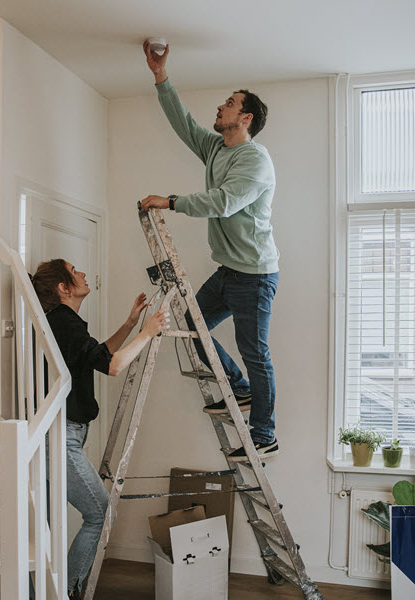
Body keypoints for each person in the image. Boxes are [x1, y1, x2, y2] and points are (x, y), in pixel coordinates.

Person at [139, 40, 280, 462]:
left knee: (256, 351)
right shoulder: (216, 147)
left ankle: (265, 434)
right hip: (228, 271)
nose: (221, 107)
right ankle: (235, 387)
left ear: (246, 117)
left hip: (255, 274)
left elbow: (223, 201)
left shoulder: (255, 161)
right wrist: (161, 76)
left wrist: (172, 200)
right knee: (191, 326)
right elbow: (182, 123)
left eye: (229, 103)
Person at [31, 258, 168, 599]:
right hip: (59, 439)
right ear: (64, 288)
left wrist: (131, 324)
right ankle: (64, 591)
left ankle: (49, 591)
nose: (82, 273)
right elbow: (114, 366)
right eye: (74, 271)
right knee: (101, 512)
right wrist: (147, 334)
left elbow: (97, 354)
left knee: (49, 523)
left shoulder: (64, 322)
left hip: (63, 434)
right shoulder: (64, 322)